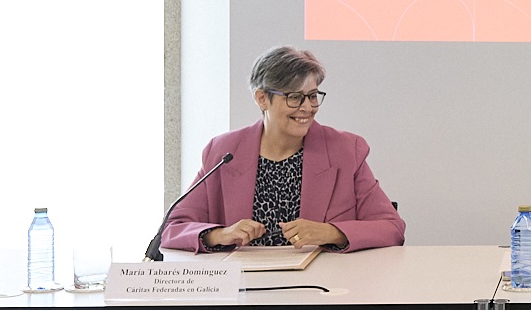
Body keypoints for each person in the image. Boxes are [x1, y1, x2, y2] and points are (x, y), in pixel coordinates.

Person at [161, 46, 405, 253]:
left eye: (312, 96)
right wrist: (219, 235)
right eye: (295, 97)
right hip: (242, 292)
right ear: (262, 99)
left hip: (321, 290)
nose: (308, 108)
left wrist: (331, 232)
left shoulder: (346, 150)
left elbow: (391, 227)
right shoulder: (223, 151)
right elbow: (173, 229)